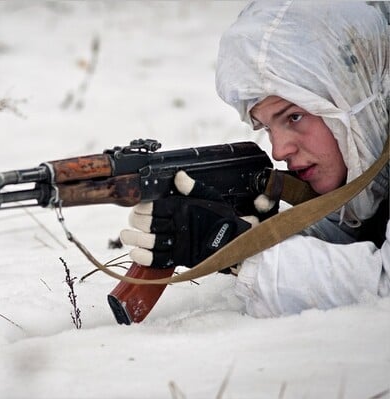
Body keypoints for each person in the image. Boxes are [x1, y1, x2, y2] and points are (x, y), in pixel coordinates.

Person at [120, 1, 389, 317]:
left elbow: (381, 288)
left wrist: (237, 252)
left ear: (352, 96)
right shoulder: (366, 160)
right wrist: (247, 232)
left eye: (294, 116)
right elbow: (351, 236)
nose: (279, 151)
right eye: (266, 126)